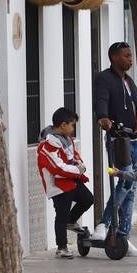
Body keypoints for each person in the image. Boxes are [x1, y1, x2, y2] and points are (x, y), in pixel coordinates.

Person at [92, 41, 137, 256]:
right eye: (126, 56)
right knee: (125, 183)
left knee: (132, 189)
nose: (130, 59)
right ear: (114, 58)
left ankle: (123, 237)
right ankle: (103, 224)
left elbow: (135, 108)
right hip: (118, 140)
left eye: (131, 55)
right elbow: (101, 100)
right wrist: (103, 117)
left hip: (136, 140)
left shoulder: (130, 82)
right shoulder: (105, 78)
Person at [37, 107, 92, 259]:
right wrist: (78, 170)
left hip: (71, 181)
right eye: (72, 125)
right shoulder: (47, 145)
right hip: (58, 186)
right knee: (61, 214)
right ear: (63, 125)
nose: (73, 128)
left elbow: (74, 155)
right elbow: (57, 167)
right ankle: (61, 247)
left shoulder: (67, 139)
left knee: (88, 199)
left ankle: (71, 221)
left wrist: (79, 165)